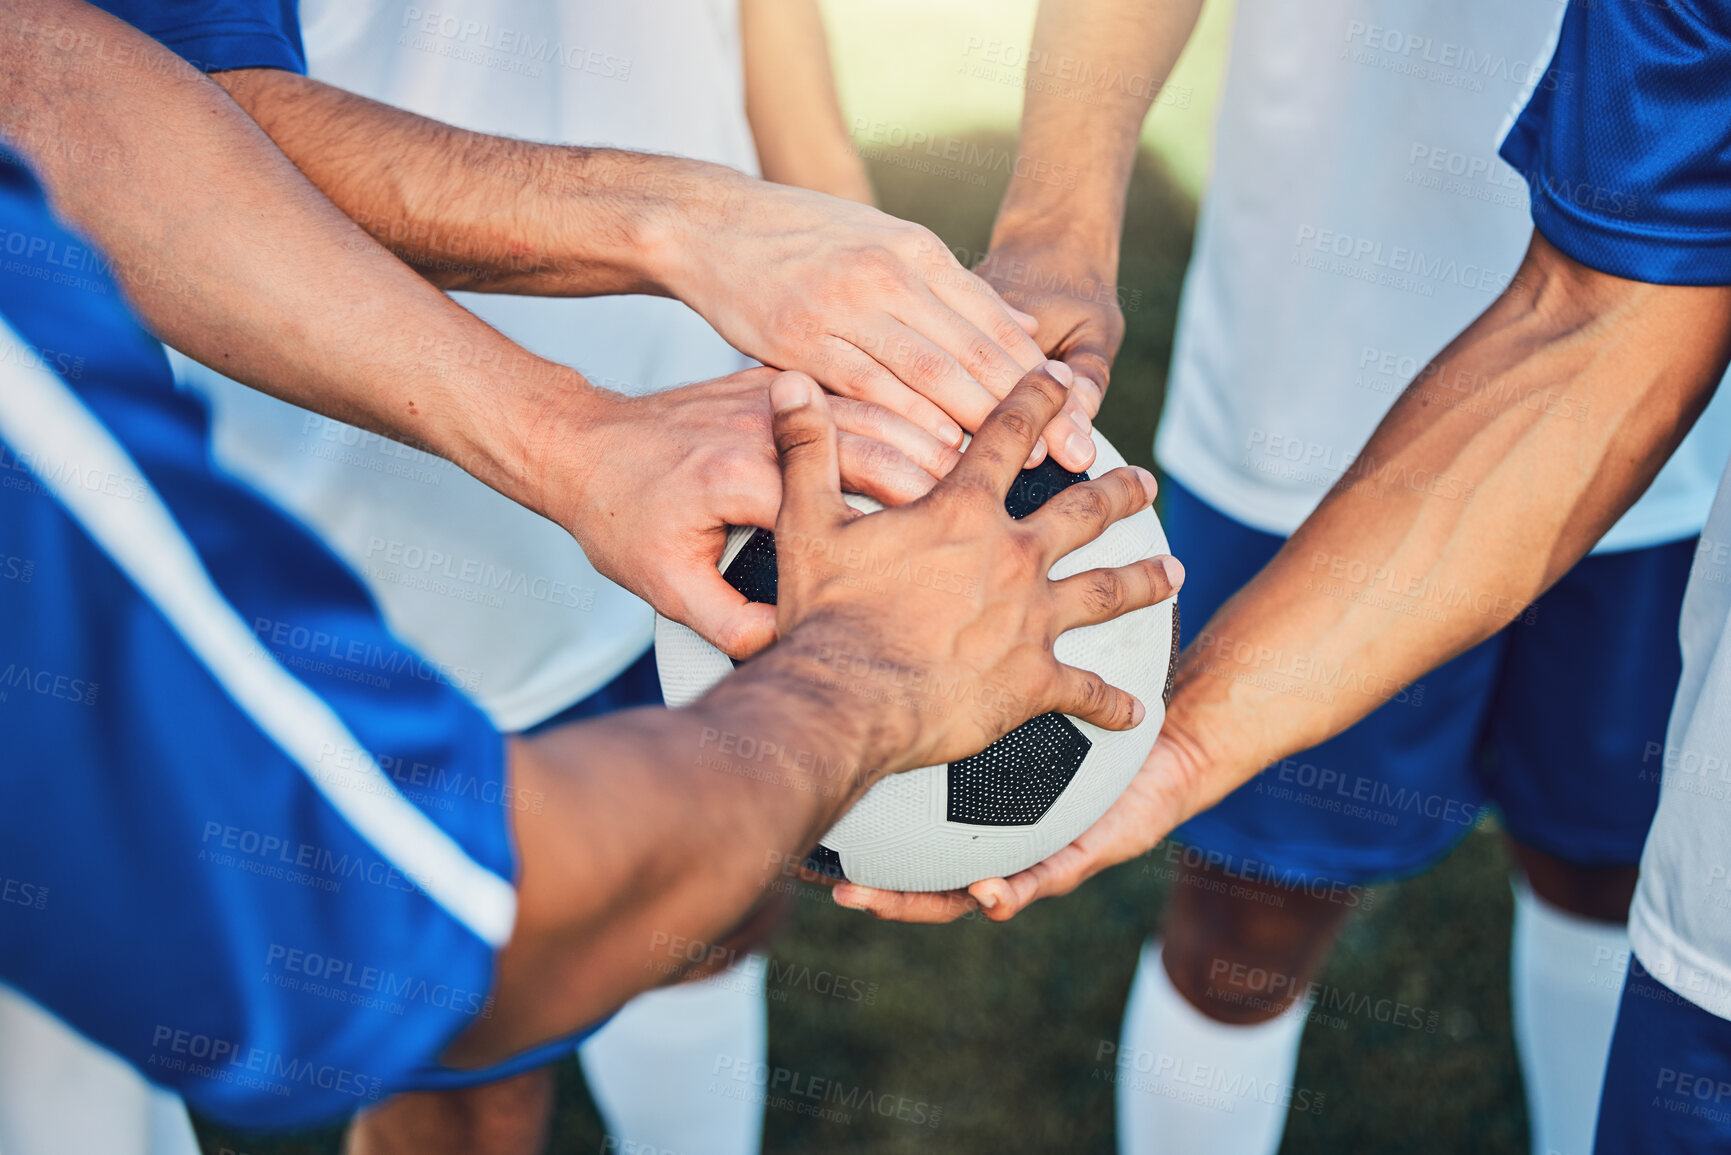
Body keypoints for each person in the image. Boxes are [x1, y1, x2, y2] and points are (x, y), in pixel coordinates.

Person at [846, 0, 1731, 1150]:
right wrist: (1061, 213)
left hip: (1674, 444)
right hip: (1318, 403)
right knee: (1255, 912)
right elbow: (1600, 328)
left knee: (1606, 867)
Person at [169, 1, 879, 1152]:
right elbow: (175, 111)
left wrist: (842, 244)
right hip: (388, 519)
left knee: (719, 908)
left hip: (717, 437)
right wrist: (687, 222)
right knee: (466, 1061)